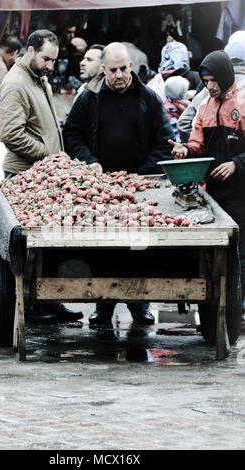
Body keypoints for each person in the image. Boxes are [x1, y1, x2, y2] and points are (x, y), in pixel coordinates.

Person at [63, 42, 175, 326]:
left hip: (140, 187)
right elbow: (72, 136)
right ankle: (104, 306)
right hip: (101, 187)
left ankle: (140, 305)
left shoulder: (148, 98)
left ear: (131, 67)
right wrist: (91, 163)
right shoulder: (88, 98)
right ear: (103, 69)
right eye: (113, 70)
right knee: (104, 247)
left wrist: (143, 174)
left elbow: (164, 141)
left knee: (140, 248)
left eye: (124, 68)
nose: (120, 75)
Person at [0, 29, 82, 323]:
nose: (50, 65)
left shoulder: (38, 79)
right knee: (32, 245)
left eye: (53, 60)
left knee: (51, 243)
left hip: (45, 173)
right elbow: (11, 134)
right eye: (46, 58)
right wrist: (47, 153)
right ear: (30, 50)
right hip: (25, 175)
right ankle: (33, 306)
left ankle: (50, 301)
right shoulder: (16, 83)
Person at [169, 50, 245, 322]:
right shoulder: (204, 108)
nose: (210, 86)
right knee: (213, 257)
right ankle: (212, 319)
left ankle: (238, 312)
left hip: (241, 195)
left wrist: (237, 163)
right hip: (213, 195)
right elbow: (197, 146)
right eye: (205, 80)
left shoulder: (243, 102)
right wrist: (183, 150)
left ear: (225, 76)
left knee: (240, 255)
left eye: (214, 80)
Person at [177, 30, 245, 143]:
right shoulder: (211, 87)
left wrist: (206, 149)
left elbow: (183, 124)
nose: (210, 86)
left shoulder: (205, 90)